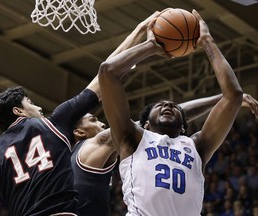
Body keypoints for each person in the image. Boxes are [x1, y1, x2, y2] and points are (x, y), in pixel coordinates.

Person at [98, 8, 244, 216]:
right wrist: (150, 46)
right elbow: (107, 72)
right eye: (160, 105)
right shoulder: (133, 138)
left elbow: (233, 96)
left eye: (174, 107)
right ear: (146, 123)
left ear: (184, 126)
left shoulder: (197, 146)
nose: (168, 105)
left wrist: (207, 42)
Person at [0, 70, 100, 215]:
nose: (39, 107)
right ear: (18, 111)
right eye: (31, 103)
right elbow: (102, 80)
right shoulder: (52, 124)